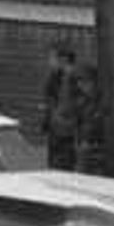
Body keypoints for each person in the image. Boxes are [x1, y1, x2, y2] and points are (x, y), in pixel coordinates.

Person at [38, 38, 98, 173]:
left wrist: (74, 119)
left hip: (70, 131)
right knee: (55, 164)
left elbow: (86, 101)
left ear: (63, 58)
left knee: (66, 165)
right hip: (56, 130)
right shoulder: (54, 77)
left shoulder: (77, 76)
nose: (49, 61)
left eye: (52, 57)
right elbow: (51, 99)